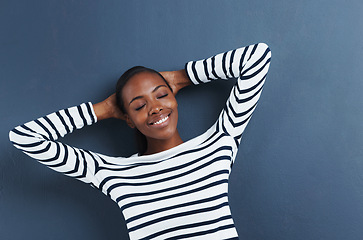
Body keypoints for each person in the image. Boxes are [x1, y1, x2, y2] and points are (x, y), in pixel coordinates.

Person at [9, 43, 271, 240]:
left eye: (161, 95)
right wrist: (103, 109)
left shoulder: (219, 143)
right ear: (128, 119)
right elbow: (25, 137)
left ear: (174, 96)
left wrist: (181, 77)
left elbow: (256, 57)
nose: (155, 108)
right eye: (139, 105)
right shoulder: (113, 172)